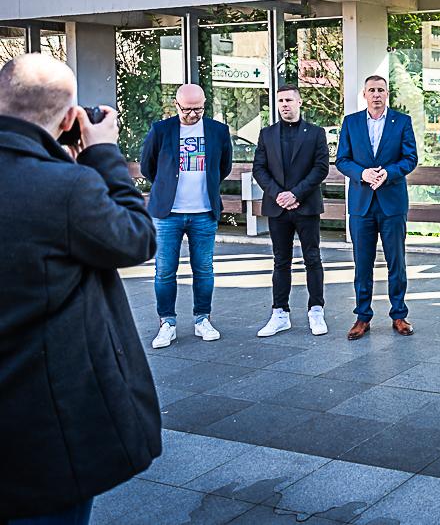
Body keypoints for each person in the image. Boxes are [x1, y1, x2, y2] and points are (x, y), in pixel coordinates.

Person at [0, 54, 160, 525]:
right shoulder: (64, 187)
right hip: (42, 428)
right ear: (70, 119)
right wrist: (103, 153)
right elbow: (135, 238)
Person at [140, 82, 234, 349]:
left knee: (203, 269)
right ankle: (167, 323)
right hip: (167, 213)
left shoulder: (218, 131)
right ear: (176, 105)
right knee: (164, 271)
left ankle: (202, 319)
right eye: (187, 109)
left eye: (198, 109)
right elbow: (148, 167)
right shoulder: (161, 130)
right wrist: (167, 186)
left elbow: (223, 167)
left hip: (204, 212)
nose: (193, 114)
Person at [336, 74, 419, 340]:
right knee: (362, 263)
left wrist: (388, 173)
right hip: (361, 204)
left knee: (397, 261)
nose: (376, 94)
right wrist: (362, 173)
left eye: (381, 90)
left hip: (392, 202)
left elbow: (410, 158)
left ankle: (399, 315)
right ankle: (362, 317)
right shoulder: (351, 122)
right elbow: (342, 160)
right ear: (364, 94)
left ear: (387, 94)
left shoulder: (402, 122)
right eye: (371, 90)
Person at [253, 85, 331, 337]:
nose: (284, 104)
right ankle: (280, 313)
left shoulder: (316, 133)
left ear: (299, 102)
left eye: (289, 100)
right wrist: (279, 194)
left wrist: (296, 194)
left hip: (306, 206)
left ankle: (316, 311)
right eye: (280, 101)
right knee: (281, 261)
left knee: (312, 258)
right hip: (277, 208)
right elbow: (259, 169)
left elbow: (321, 168)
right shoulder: (266, 134)